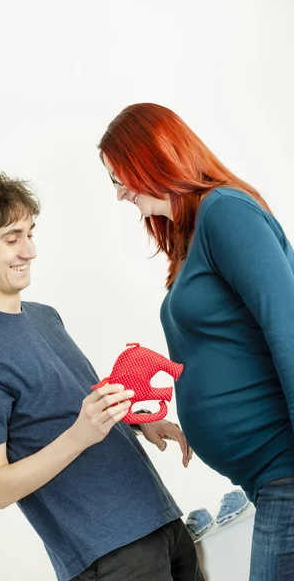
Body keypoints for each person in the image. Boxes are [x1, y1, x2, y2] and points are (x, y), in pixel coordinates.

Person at [0, 171, 203, 581]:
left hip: (160, 518)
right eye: (12, 238)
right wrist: (82, 434)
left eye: (29, 233)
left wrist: (135, 422)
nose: (30, 250)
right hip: (108, 556)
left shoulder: (44, 316)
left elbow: (67, 411)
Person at [99, 103, 294, 581]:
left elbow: (286, 324)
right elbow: (226, 340)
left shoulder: (225, 211)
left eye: (121, 175)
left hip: (285, 469)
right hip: (267, 479)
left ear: (155, 156)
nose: (121, 192)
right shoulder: (189, 237)